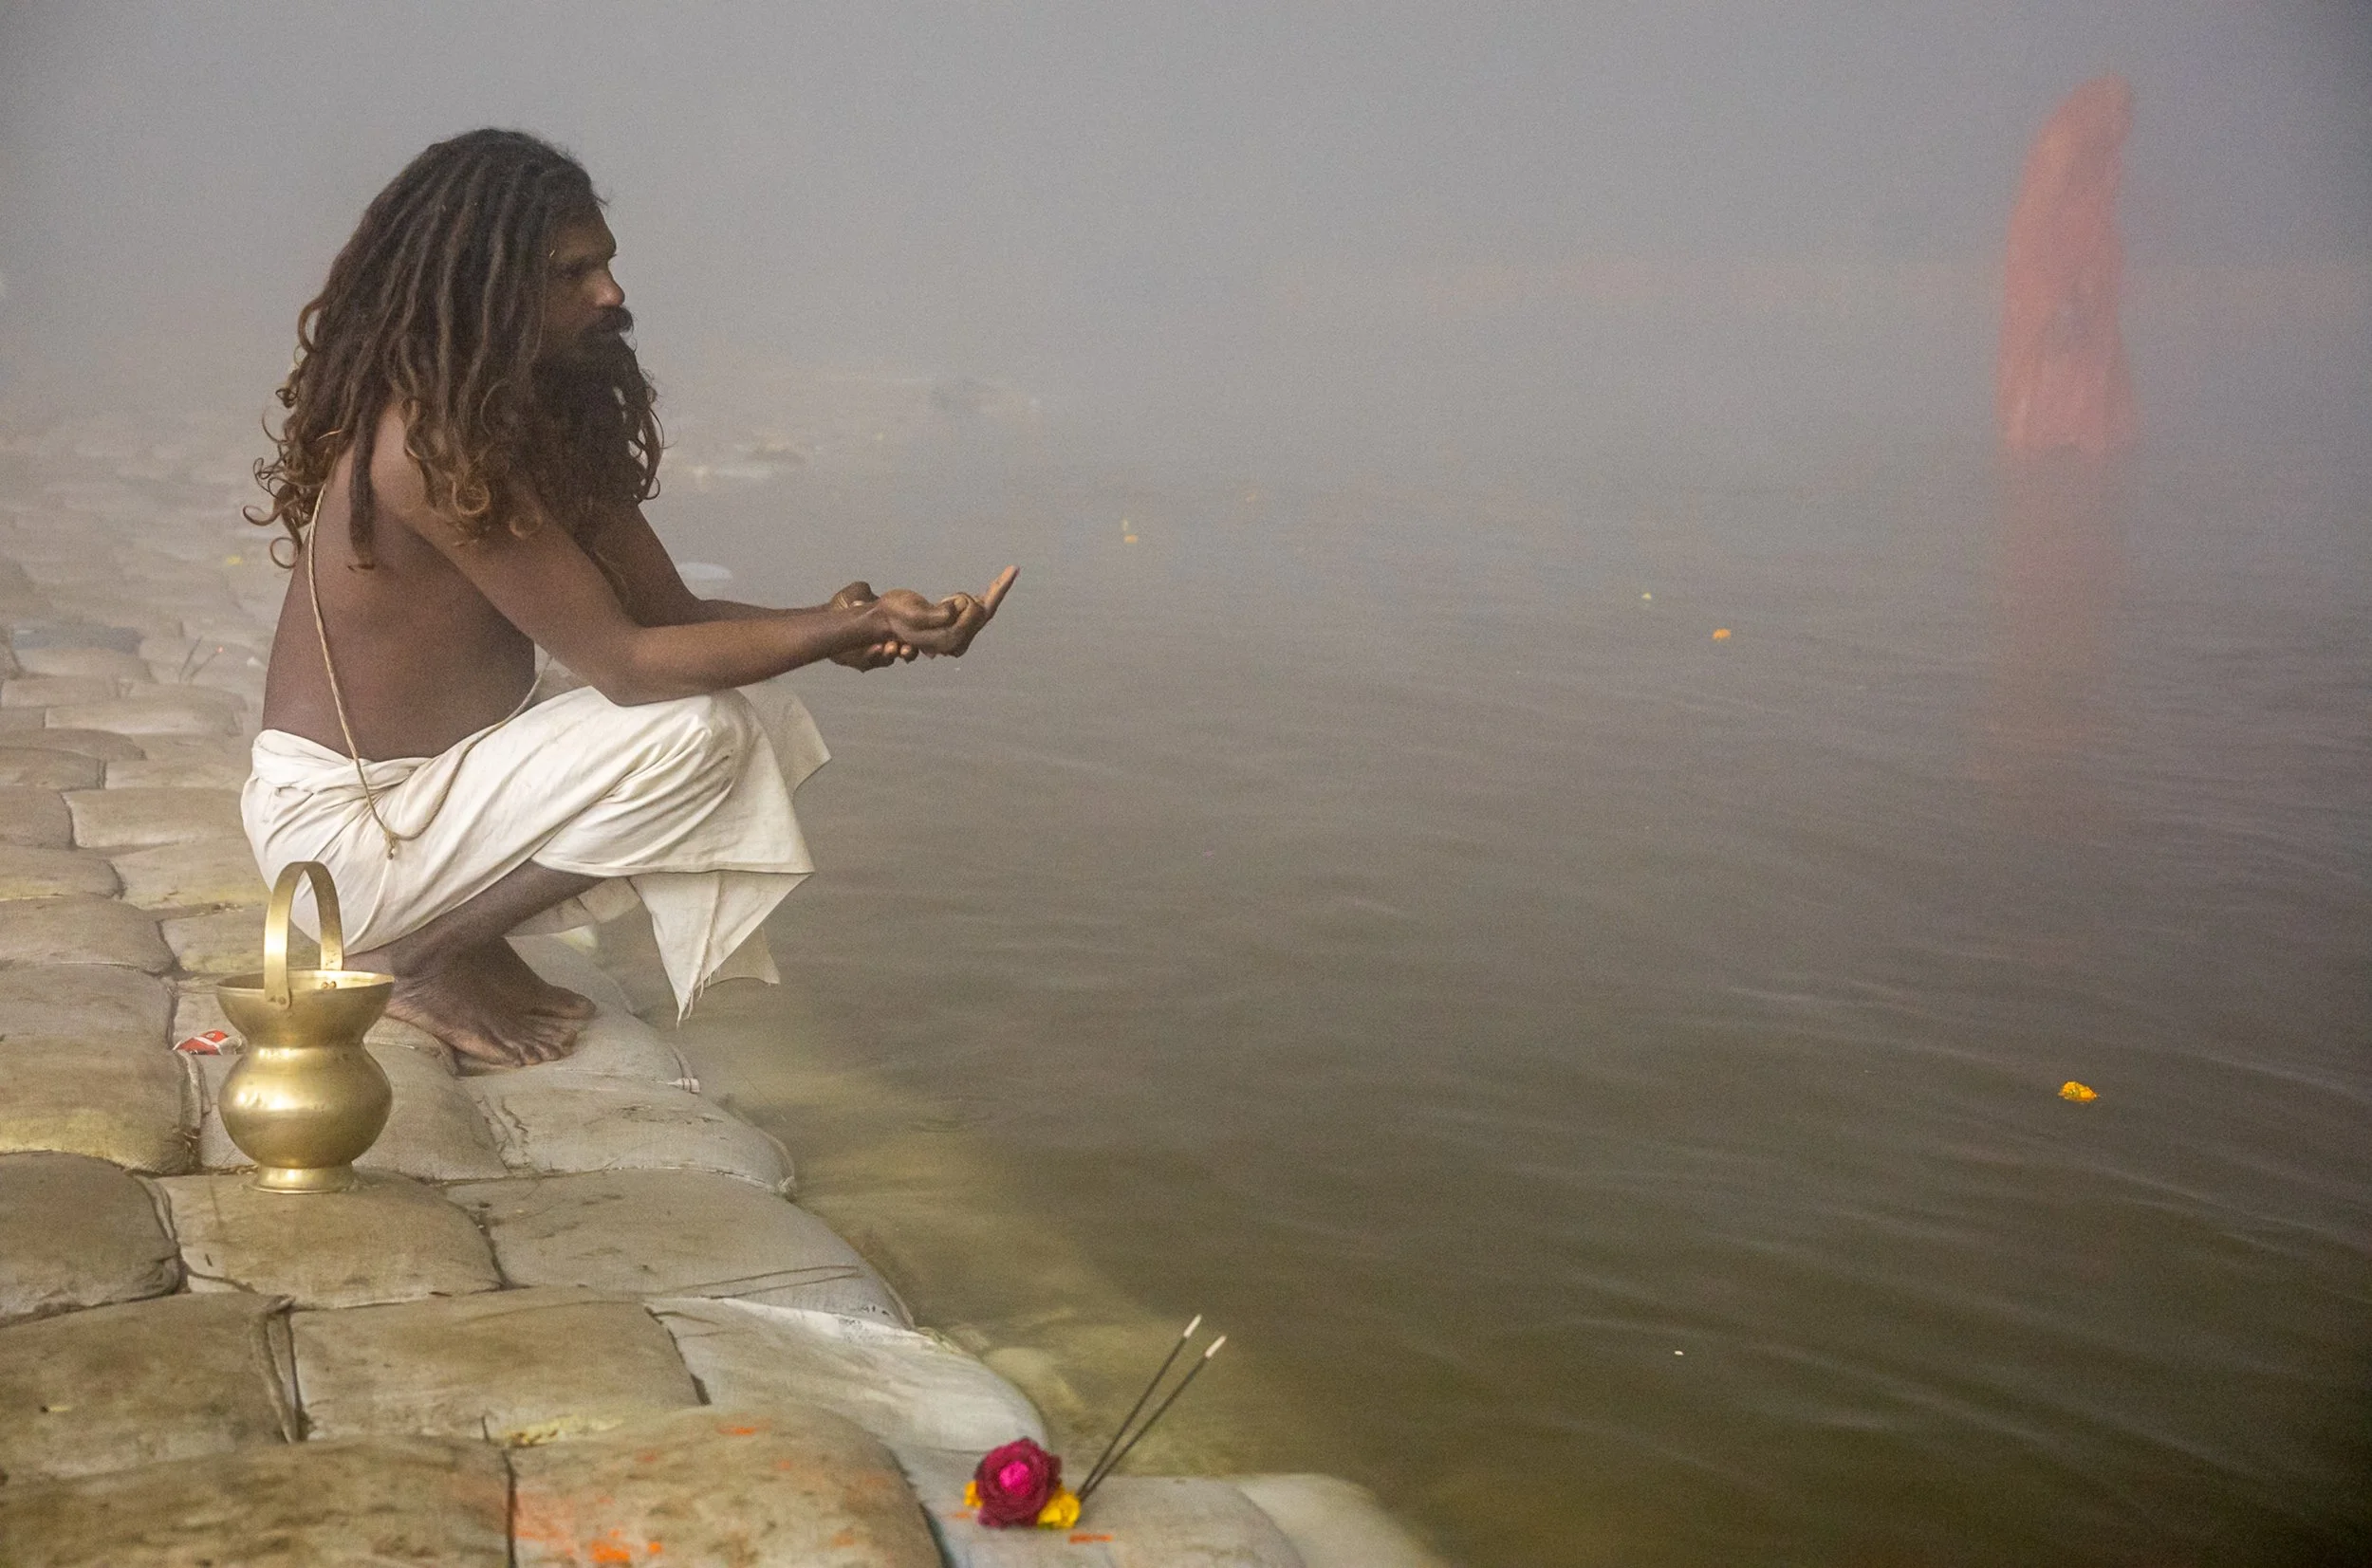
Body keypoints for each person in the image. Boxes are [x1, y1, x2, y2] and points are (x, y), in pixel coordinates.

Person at [243, 128, 1013, 1068]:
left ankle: (450, 937)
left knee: (746, 711)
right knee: (699, 732)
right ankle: (410, 956)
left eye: (605, 265)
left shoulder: (520, 422)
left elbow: (670, 616)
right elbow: (629, 665)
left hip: (425, 809)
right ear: (489, 286)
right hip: (343, 845)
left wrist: (846, 625)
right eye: (575, 272)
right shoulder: (431, 446)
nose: (611, 294)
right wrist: (833, 628)